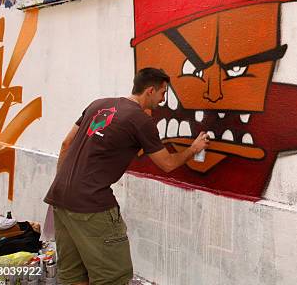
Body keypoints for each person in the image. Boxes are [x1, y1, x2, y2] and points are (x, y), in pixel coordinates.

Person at [44, 68, 209, 285]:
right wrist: (193, 149)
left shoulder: (98, 104)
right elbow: (167, 164)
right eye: (162, 93)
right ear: (150, 90)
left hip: (60, 198)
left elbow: (66, 144)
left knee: (74, 275)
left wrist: (64, 186)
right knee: (113, 276)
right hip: (92, 206)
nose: (163, 100)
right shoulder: (140, 120)